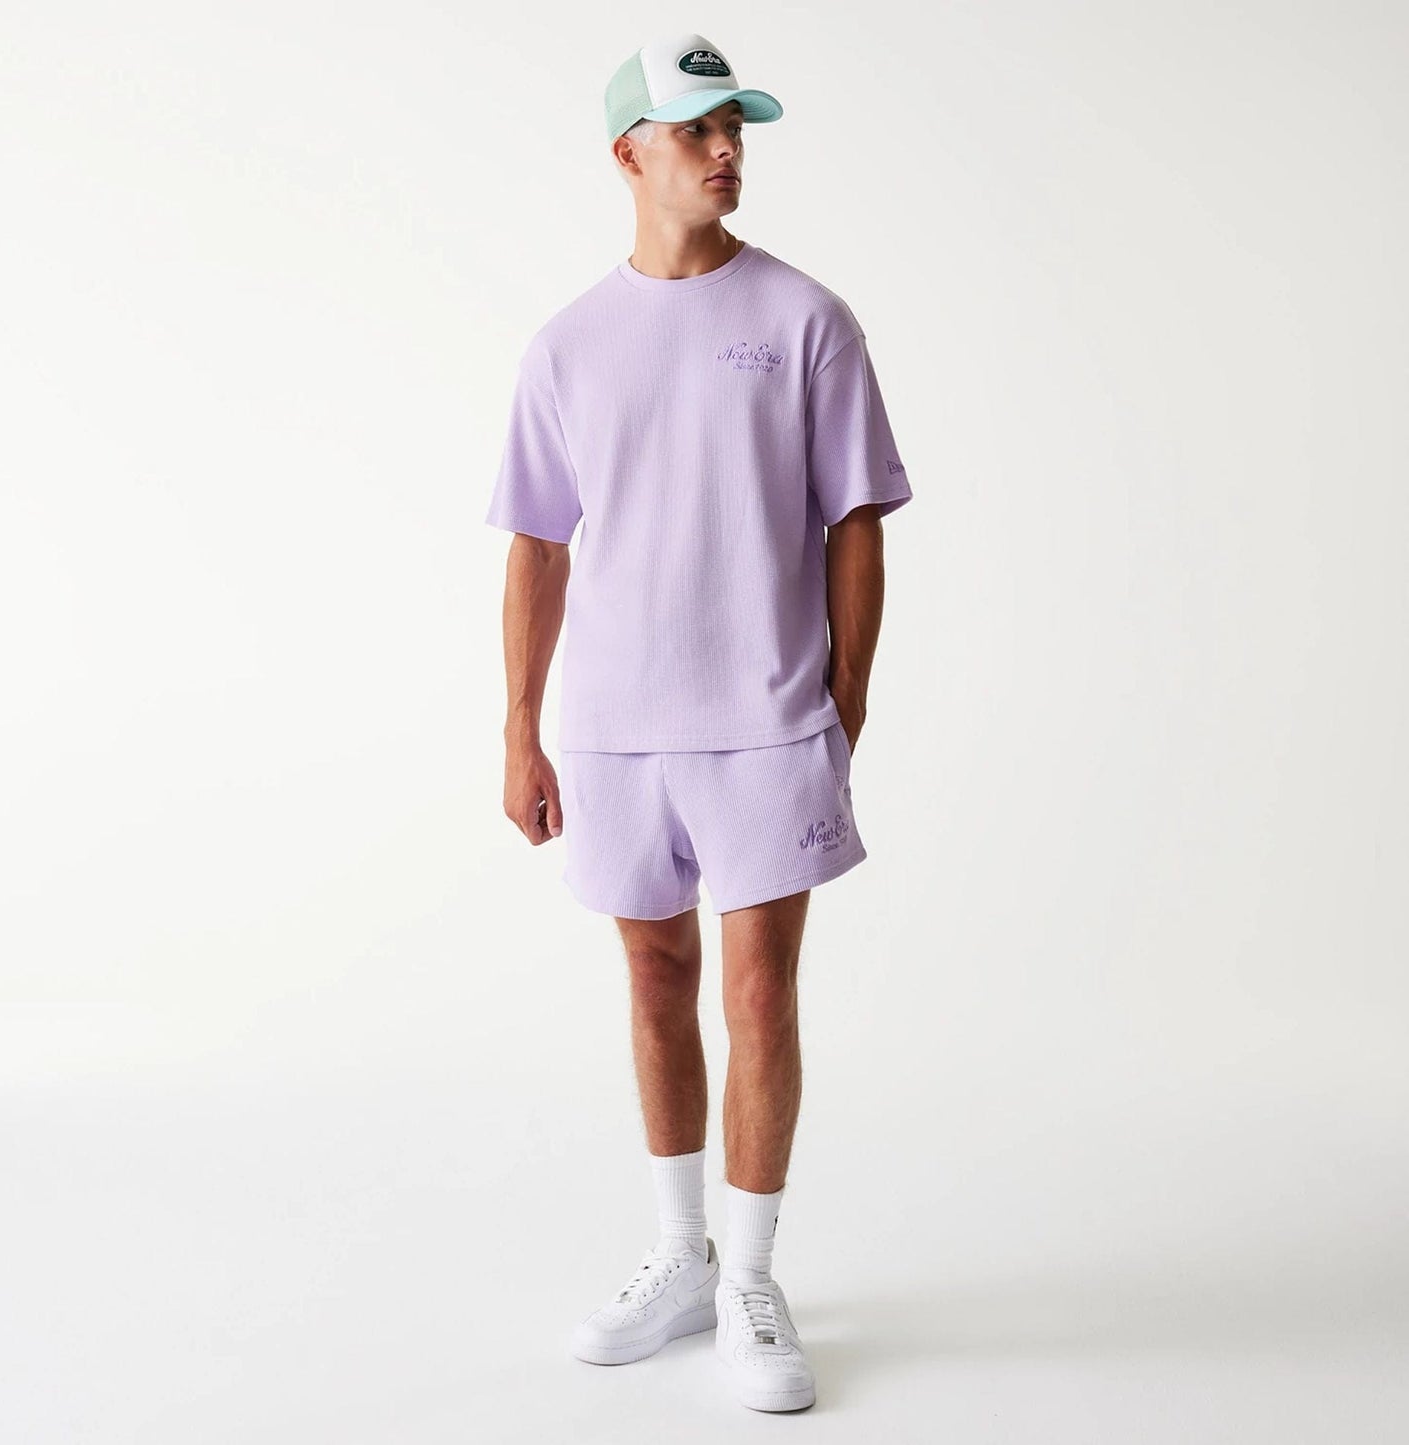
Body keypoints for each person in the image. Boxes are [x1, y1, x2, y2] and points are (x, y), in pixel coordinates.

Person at [484, 31, 913, 1413]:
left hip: (767, 721)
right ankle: (681, 1256)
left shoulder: (805, 320)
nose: (727, 150)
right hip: (616, 728)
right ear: (630, 153)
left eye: (737, 128)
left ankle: (751, 1277)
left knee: (758, 990)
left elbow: (856, 517)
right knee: (655, 980)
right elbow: (538, 543)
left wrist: (844, 696)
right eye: (697, 129)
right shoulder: (567, 345)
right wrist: (520, 728)